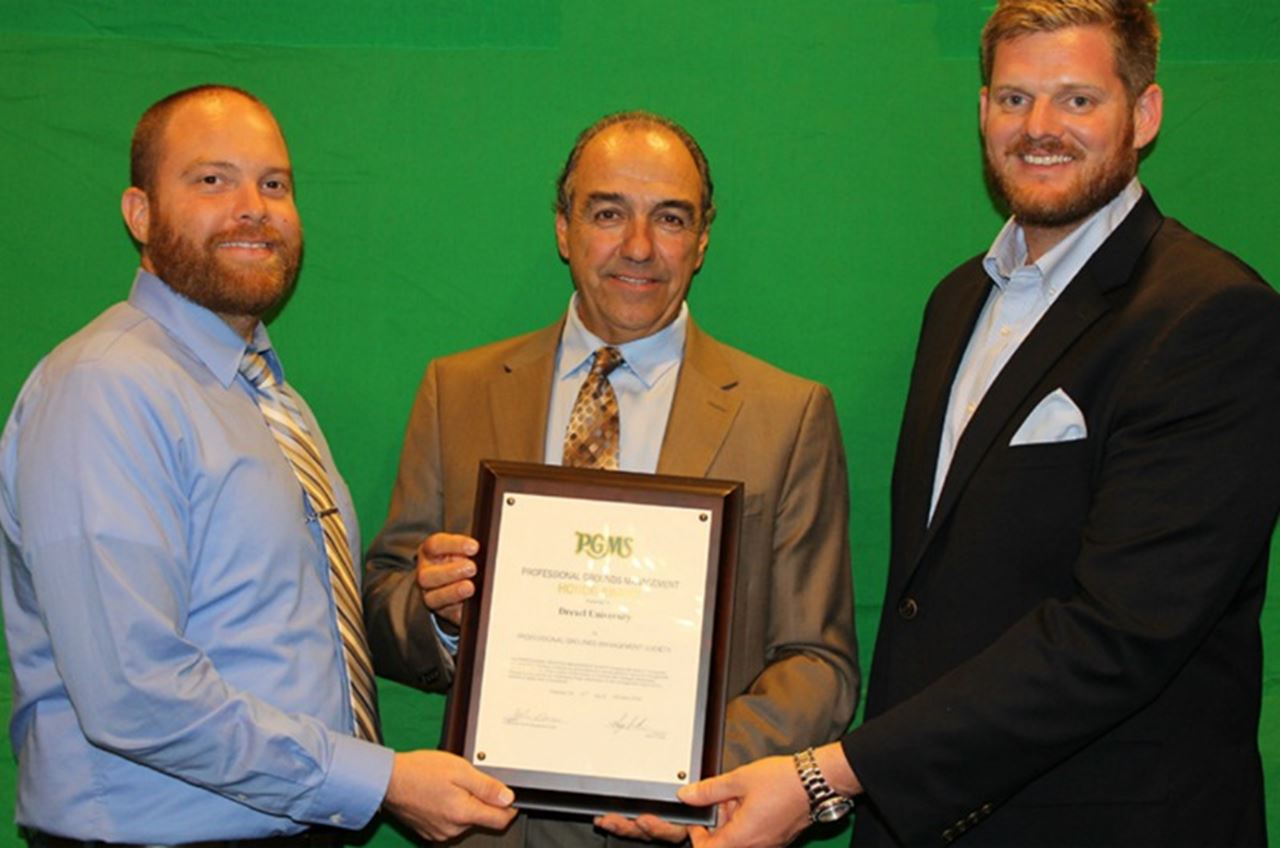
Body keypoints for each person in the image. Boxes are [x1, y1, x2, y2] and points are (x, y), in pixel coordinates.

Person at [677, 1, 1280, 846]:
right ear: (982, 112)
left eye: (1078, 100)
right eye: (1012, 99)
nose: (1039, 128)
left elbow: (1117, 635)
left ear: (1143, 115)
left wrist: (827, 775)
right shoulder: (959, 300)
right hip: (923, 819)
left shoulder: (1211, 318)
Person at [0, 84, 516, 847]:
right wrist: (383, 780)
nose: (253, 206)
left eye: (274, 184)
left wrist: (443, 615)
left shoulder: (271, 400)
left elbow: (295, 635)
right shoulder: (104, 387)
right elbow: (133, 693)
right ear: (139, 213)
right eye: (212, 180)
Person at [362, 110, 859, 847]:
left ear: (702, 239)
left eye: (669, 218)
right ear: (563, 229)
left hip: (683, 828)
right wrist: (441, 617)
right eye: (607, 213)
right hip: (493, 829)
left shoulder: (787, 416)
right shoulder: (458, 390)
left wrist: (684, 767)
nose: (638, 247)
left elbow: (818, 665)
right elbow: (381, 603)